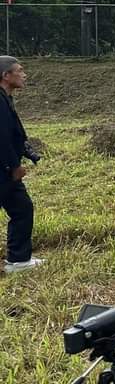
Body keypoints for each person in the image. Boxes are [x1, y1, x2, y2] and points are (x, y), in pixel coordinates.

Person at [0, 56, 43, 274]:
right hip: (4, 170)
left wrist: (28, 152)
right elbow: (2, 138)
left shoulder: (6, 98)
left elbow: (14, 134)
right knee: (21, 208)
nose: (24, 75)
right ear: (6, 76)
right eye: (20, 70)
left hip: (5, 169)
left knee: (22, 208)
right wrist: (13, 166)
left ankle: (18, 260)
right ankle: (17, 260)